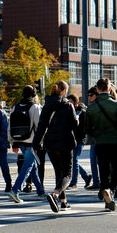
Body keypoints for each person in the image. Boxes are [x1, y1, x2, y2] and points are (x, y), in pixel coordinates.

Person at [85, 78, 117, 212]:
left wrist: (96, 135)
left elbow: (87, 128)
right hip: (116, 141)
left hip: (100, 143)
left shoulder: (91, 107)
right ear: (109, 88)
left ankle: (106, 195)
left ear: (97, 89)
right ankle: (111, 190)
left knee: (104, 170)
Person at [33, 80, 77, 213]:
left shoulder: (47, 106)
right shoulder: (68, 106)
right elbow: (74, 125)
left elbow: (41, 126)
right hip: (65, 142)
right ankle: (56, 194)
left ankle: (64, 202)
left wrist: (35, 144)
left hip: (50, 143)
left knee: (59, 171)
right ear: (64, 91)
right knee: (67, 174)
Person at [8, 86, 45, 203]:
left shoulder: (16, 107)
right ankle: (15, 190)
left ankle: (41, 191)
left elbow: (10, 127)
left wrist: (12, 142)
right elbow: (40, 126)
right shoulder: (35, 107)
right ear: (33, 95)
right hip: (32, 142)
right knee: (28, 167)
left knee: (33, 167)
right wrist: (41, 141)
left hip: (20, 141)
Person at [67, 94, 92, 190]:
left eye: (71, 102)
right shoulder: (69, 111)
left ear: (76, 102)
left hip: (80, 139)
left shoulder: (82, 112)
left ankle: (74, 183)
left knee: (74, 160)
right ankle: (86, 176)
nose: (69, 104)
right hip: (71, 139)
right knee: (73, 161)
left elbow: (83, 128)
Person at [85, 87, 100, 190]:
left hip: (101, 138)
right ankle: (96, 182)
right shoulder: (91, 107)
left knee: (100, 161)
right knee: (93, 161)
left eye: (91, 95)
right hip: (94, 138)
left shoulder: (97, 106)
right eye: (88, 95)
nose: (89, 97)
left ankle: (102, 182)